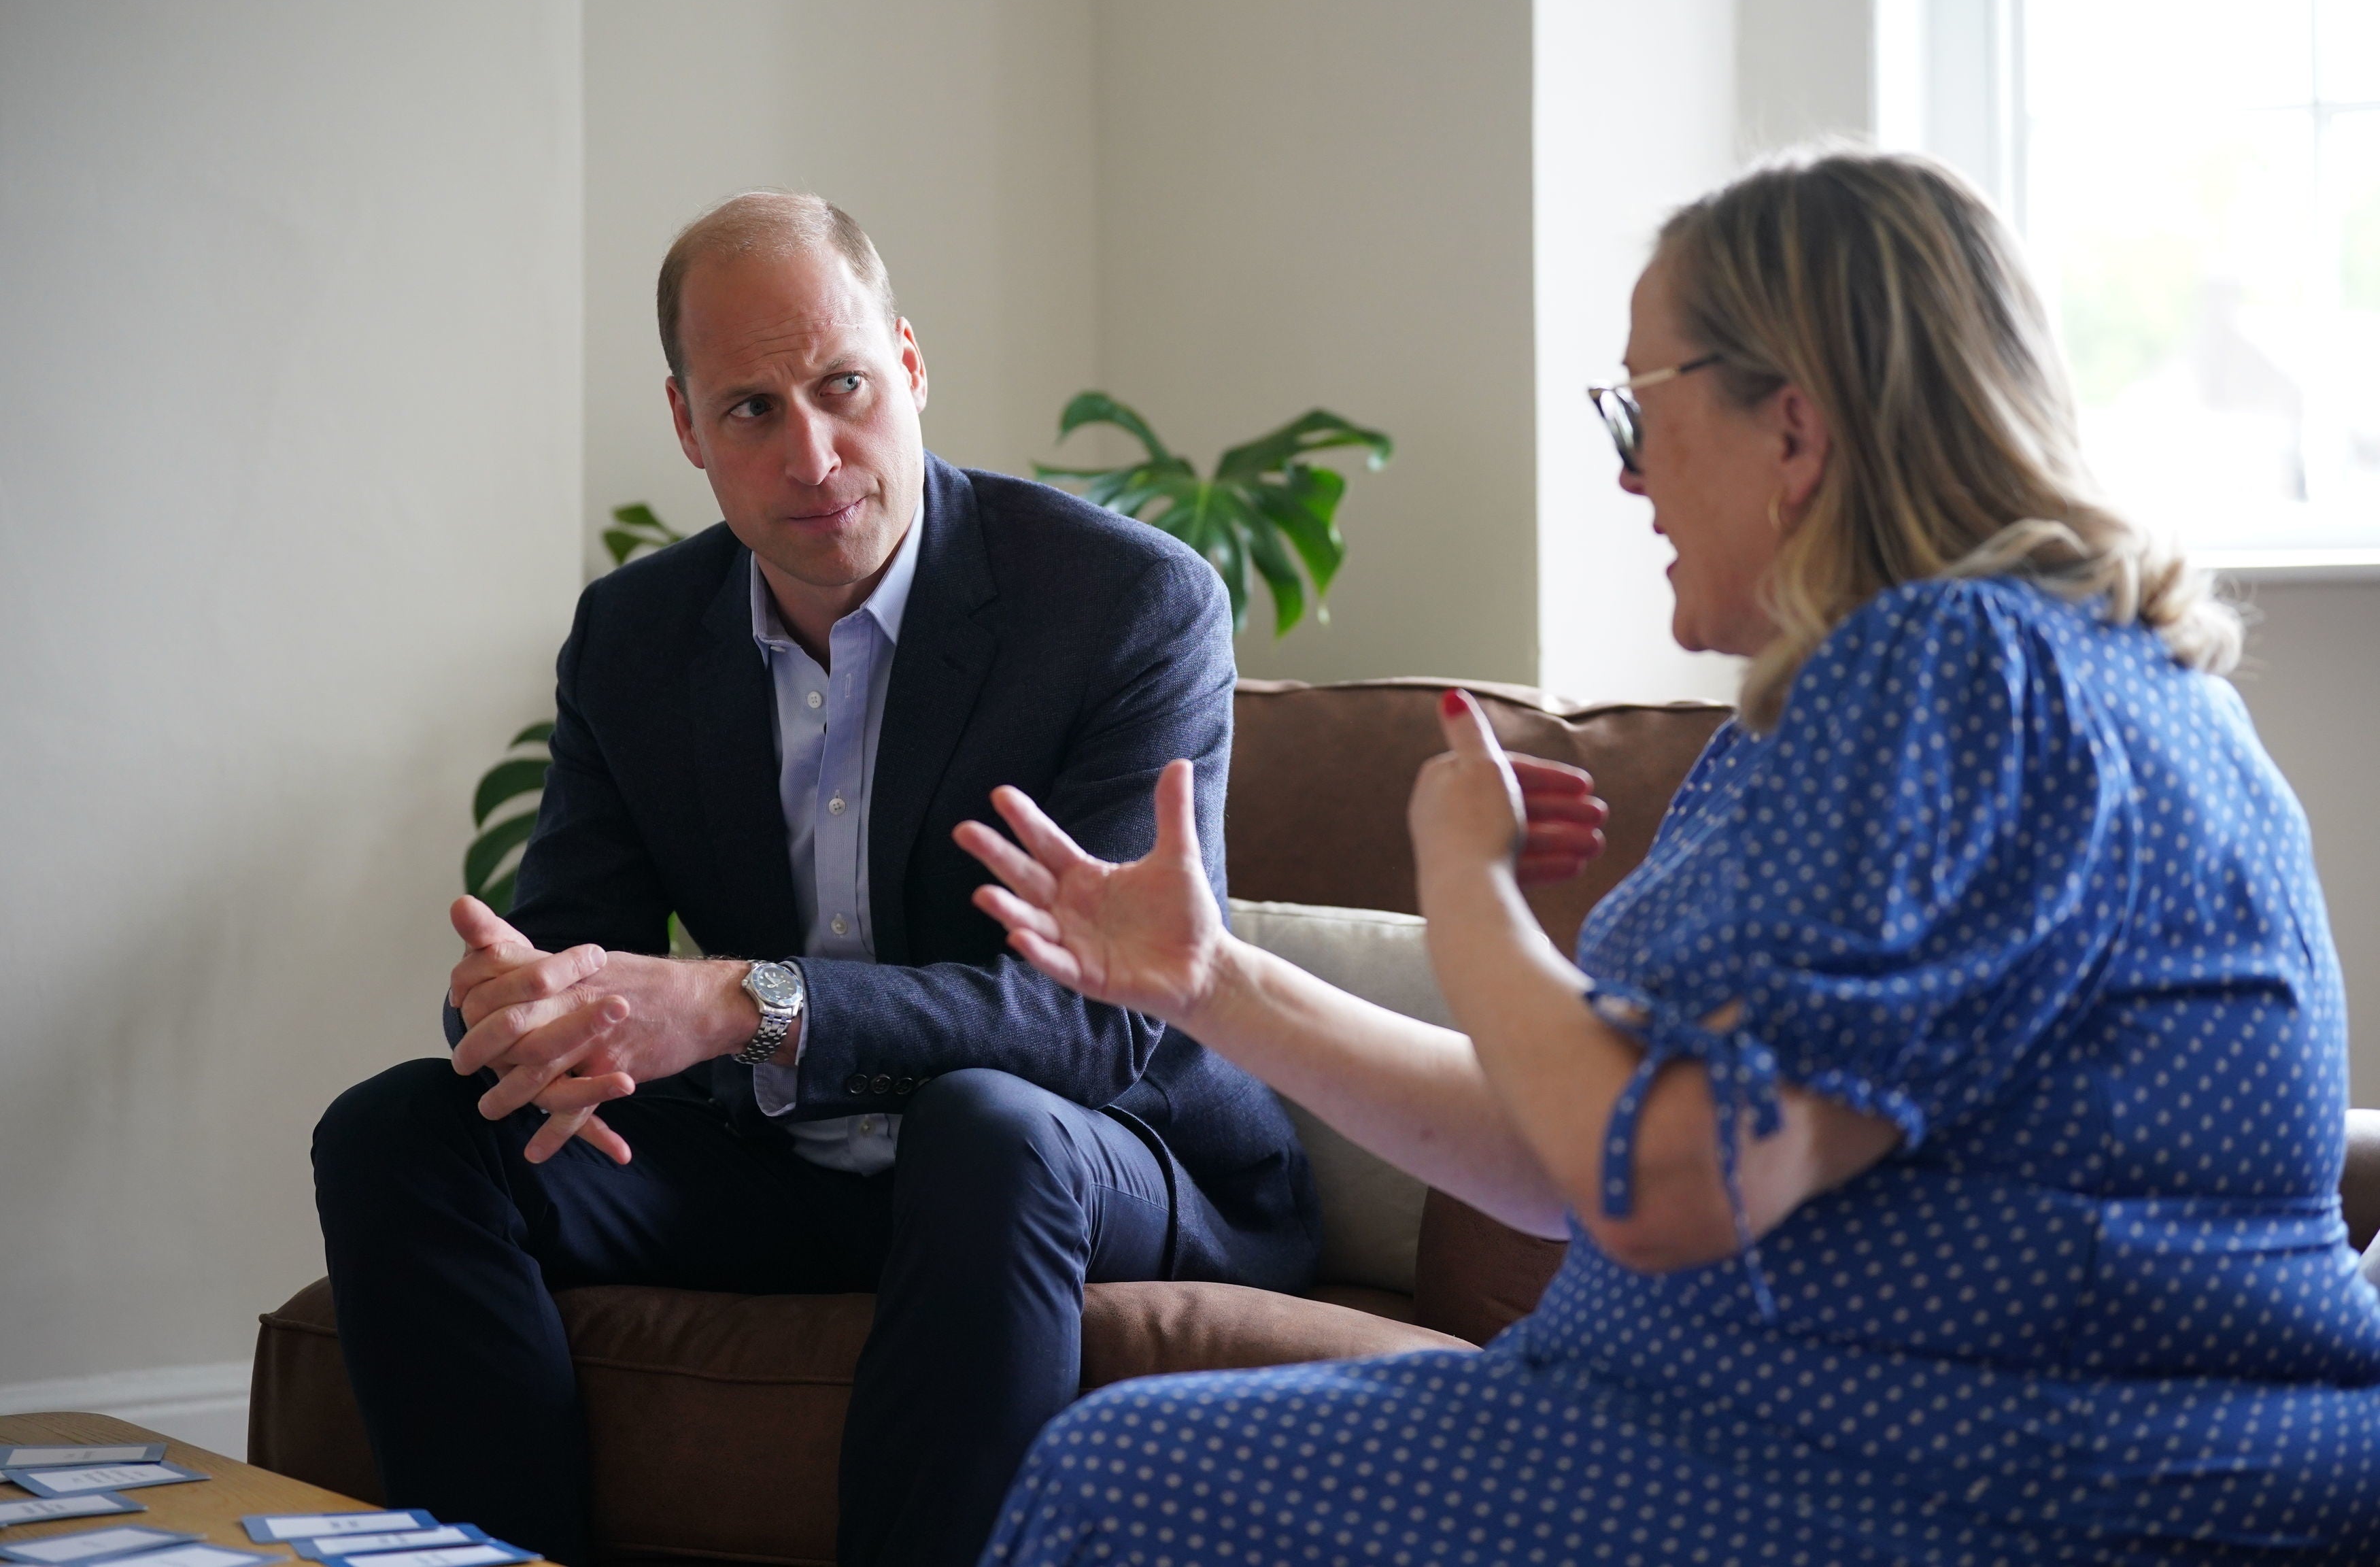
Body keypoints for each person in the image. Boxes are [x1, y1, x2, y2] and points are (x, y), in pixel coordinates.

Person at [955, 149, 2380, 1564]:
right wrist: (1213, 983)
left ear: (1795, 433)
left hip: (1967, 1470)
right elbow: (1576, 1154)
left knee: (1119, 1487)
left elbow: (1661, 1184)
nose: (1628, 473)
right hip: (1854, 1430)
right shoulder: (1972, 687)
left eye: (1639, 407)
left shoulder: (1954, 678)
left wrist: (1464, 889)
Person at [309, 190, 1318, 1567]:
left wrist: (749, 1002)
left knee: (987, 1126)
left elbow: (1099, 1020)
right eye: (750, 410)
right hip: (781, 1163)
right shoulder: (635, 635)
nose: (814, 452)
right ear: (686, 428)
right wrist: (527, 1006)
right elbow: (576, 954)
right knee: (402, 1133)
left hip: (1102, 1146)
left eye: (842, 386)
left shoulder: (1120, 605)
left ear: (906, 365)